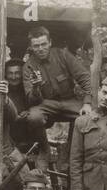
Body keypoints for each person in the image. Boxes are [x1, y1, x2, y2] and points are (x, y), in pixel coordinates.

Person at [19, 25, 93, 163]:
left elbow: (84, 77)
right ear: (31, 47)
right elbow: (31, 100)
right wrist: (36, 88)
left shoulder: (63, 55)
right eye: (36, 46)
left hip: (69, 101)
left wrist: (87, 102)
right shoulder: (28, 66)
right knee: (33, 117)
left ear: (50, 42)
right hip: (46, 104)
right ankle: (44, 149)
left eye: (43, 44)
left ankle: (72, 149)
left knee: (89, 116)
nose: (40, 49)